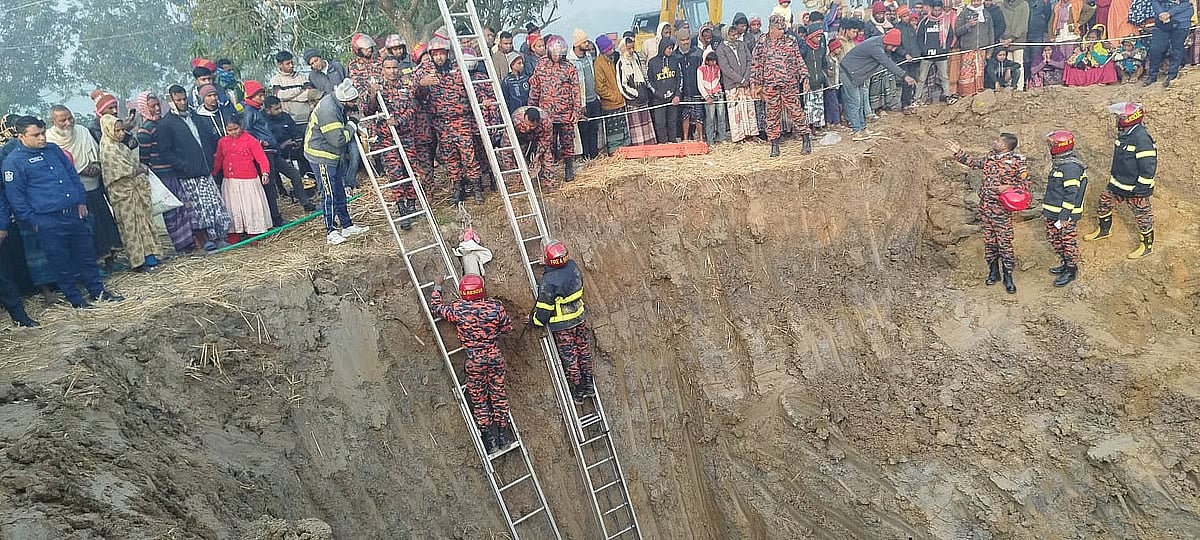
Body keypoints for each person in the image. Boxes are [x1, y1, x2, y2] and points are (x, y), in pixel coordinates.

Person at [2, 116, 124, 308]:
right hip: (47, 220)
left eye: (43, 133)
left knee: (86, 256)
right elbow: (16, 197)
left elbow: (72, 176)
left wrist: (81, 201)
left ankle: (98, 292)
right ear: (21, 137)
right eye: (36, 135)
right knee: (61, 263)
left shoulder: (53, 150)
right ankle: (76, 300)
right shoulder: (13, 162)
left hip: (73, 213)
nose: (42, 138)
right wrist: (33, 221)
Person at [430, 274, 517, 455]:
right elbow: (508, 328)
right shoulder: (495, 307)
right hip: (494, 357)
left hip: (475, 360)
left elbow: (436, 308)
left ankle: (490, 440)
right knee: (498, 394)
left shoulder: (459, 309)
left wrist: (437, 286)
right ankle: (503, 436)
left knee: (479, 399)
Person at [947, 133, 1030, 294]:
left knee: (1004, 243)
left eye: (998, 141)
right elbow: (974, 163)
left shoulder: (1017, 162)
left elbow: (1025, 185)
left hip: (1001, 210)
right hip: (985, 207)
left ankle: (1008, 276)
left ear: (1004, 145)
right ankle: (993, 272)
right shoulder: (991, 157)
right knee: (990, 242)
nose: (995, 142)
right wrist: (958, 152)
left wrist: (1009, 187)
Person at [46, 105, 123, 264]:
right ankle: (94, 264)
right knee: (88, 229)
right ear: (53, 122)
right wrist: (80, 171)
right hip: (74, 193)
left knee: (104, 225)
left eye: (70, 118)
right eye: (63, 120)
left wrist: (95, 166)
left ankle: (111, 261)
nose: (68, 123)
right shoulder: (48, 139)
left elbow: (97, 154)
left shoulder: (82, 131)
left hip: (94, 186)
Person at [160, 85, 233, 252]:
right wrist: (183, 166)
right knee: (197, 210)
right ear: (170, 101)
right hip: (187, 175)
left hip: (204, 169)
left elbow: (207, 138)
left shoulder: (195, 116)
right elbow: (165, 152)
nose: (182, 103)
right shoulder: (166, 124)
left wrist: (211, 159)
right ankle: (204, 240)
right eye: (178, 100)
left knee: (214, 205)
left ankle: (219, 237)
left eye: (184, 99)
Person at [416, 38, 488, 204]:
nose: (439, 57)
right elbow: (414, 93)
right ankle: (457, 188)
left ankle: (476, 188)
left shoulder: (458, 69)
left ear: (447, 54)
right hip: (441, 123)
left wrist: (483, 100)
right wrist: (422, 84)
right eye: (435, 54)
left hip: (461, 120)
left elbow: (474, 89)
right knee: (450, 158)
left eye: (442, 54)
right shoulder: (425, 71)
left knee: (469, 156)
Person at [96, 91, 160, 273]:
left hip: (136, 191)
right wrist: (139, 170)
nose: (120, 133)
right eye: (116, 130)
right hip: (123, 195)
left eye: (122, 129)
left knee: (144, 223)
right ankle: (138, 262)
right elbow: (121, 170)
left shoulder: (120, 145)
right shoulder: (108, 148)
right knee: (131, 228)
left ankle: (151, 256)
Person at [1085, 102, 1157, 259]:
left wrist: (1141, 188)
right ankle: (1104, 230)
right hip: (1118, 184)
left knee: (1143, 216)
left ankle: (1147, 246)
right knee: (1104, 203)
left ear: (1131, 118)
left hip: (1135, 188)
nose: (1118, 119)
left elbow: (1148, 166)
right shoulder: (1125, 134)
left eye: (1121, 117)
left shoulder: (1141, 138)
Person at [304, 79, 370, 245]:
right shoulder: (329, 111)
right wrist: (352, 124)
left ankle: (347, 225)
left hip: (332, 155)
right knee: (329, 193)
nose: (355, 104)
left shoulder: (336, 102)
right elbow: (338, 140)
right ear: (345, 100)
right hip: (321, 156)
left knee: (339, 191)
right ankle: (331, 231)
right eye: (353, 101)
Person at [362, 56, 421, 229]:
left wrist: (399, 121)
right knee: (395, 174)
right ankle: (401, 208)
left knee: (409, 171)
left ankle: (411, 203)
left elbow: (412, 109)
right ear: (383, 69)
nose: (392, 71)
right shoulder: (377, 87)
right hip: (387, 139)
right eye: (388, 68)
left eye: (394, 67)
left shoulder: (407, 85)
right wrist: (373, 95)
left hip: (406, 136)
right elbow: (368, 111)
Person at [134, 93, 197, 253]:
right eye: (152, 106)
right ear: (144, 108)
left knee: (184, 207)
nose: (157, 109)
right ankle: (182, 245)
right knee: (172, 212)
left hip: (174, 171)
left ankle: (191, 241)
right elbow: (144, 158)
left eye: (157, 105)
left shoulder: (165, 123)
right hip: (162, 176)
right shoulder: (145, 130)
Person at [533, 241, 594, 402]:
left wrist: (535, 321)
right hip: (579, 317)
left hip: (563, 325)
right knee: (583, 350)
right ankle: (589, 383)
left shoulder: (548, 280)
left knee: (570, 356)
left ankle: (578, 389)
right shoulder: (572, 266)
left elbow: (544, 308)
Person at [752, 14, 811, 157]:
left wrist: (805, 77)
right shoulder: (762, 42)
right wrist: (755, 84)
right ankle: (774, 145)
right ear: (771, 28)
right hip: (770, 86)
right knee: (772, 116)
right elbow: (756, 65)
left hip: (789, 84)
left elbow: (799, 60)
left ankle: (806, 139)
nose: (782, 31)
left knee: (797, 113)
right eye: (779, 29)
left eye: (783, 28)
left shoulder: (790, 41)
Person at [840, 30, 916, 139]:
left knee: (861, 102)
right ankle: (856, 131)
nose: (894, 50)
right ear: (888, 42)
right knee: (855, 102)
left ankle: (862, 128)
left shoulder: (880, 42)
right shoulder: (875, 47)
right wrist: (905, 76)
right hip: (849, 73)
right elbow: (887, 63)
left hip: (858, 74)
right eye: (893, 47)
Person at [529, 35, 582, 181]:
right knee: (546, 144)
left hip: (565, 113)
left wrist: (576, 110)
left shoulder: (569, 67)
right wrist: (532, 108)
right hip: (546, 115)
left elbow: (576, 90)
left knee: (567, 142)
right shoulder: (541, 65)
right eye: (555, 54)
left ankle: (569, 168)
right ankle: (545, 171)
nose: (557, 57)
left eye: (560, 54)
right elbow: (535, 88)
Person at [212, 118, 272, 241]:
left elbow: (261, 158)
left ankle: (254, 231)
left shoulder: (251, 140)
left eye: (236, 129)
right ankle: (234, 232)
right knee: (233, 207)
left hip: (248, 180)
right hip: (230, 181)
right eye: (230, 130)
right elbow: (218, 159)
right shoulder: (222, 142)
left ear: (241, 126)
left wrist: (265, 173)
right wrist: (213, 173)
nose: (233, 132)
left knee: (250, 206)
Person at [1041, 130, 1087, 287]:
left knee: (1067, 242)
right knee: (1054, 238)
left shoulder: (1070, 168)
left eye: (1052, 144)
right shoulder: (1060, 164)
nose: (1049, 148)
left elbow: (1071, 194)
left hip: (1064, 215)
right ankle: (1066, 264)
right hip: (1055, 213)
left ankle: (1071, 270)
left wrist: (1064, 216)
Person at [263, 96, 315, 212]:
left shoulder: (285, 116)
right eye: (276, 109)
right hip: (273, 153)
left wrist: (297, 141)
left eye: (280, 107)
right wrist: (281, 145)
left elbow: (295, 130)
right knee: (274, 175)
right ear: (268, 110)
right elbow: (268, 141)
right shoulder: (263, 121)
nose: (280, 111)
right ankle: (281, 194)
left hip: (290, 149)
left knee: (299, 166)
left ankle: (306, 196)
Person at [616, 35, 657, 146]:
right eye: (629, 48)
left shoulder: (636, 58)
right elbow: (622, 85)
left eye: (632, 48)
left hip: (643, 100)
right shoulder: (621, 63)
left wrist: (646, 90)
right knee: (638, 133)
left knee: (647, 129)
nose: (631, 51)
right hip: (633, 102)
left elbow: (643, 74)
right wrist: (635, 94)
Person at [1143, 0, 1193, 87]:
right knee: (1155, 49)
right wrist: (1161, 13)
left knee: (1176, 49)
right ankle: (1152, 76)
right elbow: (1155, 1)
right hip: (1161, 21)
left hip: (1181, 21)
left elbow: (1186, 4)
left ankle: (1172, 75)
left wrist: (1169, 13)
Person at [593, 34, 630, 154]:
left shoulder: (612, 60)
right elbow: (600, 88)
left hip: (620, 103)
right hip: (610, 106)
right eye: (609, 49)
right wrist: (615, 96)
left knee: (624, 133)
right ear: (604, 51)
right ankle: (616, 155)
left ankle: (625, 154)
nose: (612, 50)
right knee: (614, 136)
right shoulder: (599, 64)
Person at [569, 30, 601, 160]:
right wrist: (579, 104)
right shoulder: (571, 61)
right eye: (584, 42)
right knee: (584, 130)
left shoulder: (588, 56)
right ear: (577, 44)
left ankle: (594, 155)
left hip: (593, 98)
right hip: (582, 102)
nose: (587, 44)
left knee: (594, 128)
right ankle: (586, 157)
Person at [956, 0, 997, 97]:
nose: (976, 3)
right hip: (968, 49)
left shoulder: (986, 14)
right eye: (974, 1)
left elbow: (991, 33)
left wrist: (990, 50)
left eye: (978, 1)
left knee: (979, 73)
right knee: (966, 74)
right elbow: (957, 31)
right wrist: (968, 25)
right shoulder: (964, 13)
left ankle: (978, 95)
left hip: (982, 50)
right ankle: (966, 95)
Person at [270, 51, 316, 135]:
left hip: (307, 119)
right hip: (290, 121)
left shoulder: (302, 77)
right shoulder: (276, 80)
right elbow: (280, 95)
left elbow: (310, 93)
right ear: (280, 65)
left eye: (292, 63)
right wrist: (299, 90)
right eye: (287, 64)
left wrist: (290, 98)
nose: (291, 65)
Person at [647, 37, 683, 144]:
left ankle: (672, 142)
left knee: (672, 122)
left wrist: (677, 95)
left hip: (673, 98)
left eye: (672, 48)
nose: (671, 51)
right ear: (663, 48)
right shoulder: (652, 62)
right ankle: (663, 143)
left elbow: (680, 78)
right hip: (658, 99)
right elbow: (649, 80)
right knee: (660, 123)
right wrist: (658, 94)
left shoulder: (675, 61)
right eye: (669, 48)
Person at [513, 106, 557, 188]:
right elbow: (508, 141)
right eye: (526, 124)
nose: (528, 128)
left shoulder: (546, 122)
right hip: (521, 137)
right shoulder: (516, 118)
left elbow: (545, 141)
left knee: (547, 156)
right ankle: (521, 182)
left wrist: (537, 155)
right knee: (517, 156)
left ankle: (549, 184)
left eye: (532, 126)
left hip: (538, 136)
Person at [997, 0, 1030, 89]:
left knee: (1018, 63)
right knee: (1007, 65)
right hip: (1004, 40)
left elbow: (1022, 24)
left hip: (1018, 39)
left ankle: (1019, 87)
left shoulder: (1023, 4)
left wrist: (1011, 38)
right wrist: (1001, 38)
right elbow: (1000, 22)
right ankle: (1010, 86)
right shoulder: (1001, 5)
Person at [698, 50, 727, 144]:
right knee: (710, 119)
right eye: (711, 60)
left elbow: (717, 79)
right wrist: (706, 96)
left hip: (718, 94)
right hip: (708, 96)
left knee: (721, 117)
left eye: (715, 60)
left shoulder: (717, 68)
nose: (714, 62)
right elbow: (700, 84)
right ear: (706, 60)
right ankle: (710, 140)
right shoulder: (700, 69)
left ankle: (722, 138)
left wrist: (716, 90)